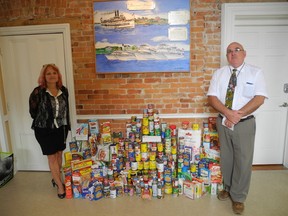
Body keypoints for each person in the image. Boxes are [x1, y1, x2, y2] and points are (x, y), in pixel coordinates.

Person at [207, 42, 268, 214]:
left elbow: (260, 98)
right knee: (226, 157)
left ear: (244, 53)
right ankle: (228, 187)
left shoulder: (255, 72)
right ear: (226, 56)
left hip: (244, 124)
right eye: (229, 52)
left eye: (237, 50)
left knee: (243, 160)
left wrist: (237, 115)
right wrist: (228, 114)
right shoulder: (219, 73)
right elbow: (212, 98)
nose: (233, 53)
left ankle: (239, 197)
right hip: (223, 122)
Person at [29, 64, 71, 199]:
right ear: (44, 76)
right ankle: (60, 185)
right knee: (52, 157)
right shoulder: (38, 92)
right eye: (48, 73)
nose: (52, 75)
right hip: (44, 130)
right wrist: (45, 120)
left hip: (61, 128)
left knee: (59, 155)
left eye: (54, 73)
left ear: (58, 75)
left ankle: (55, 177)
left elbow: (65, 110)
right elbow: (33, 112)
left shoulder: (64, 90)